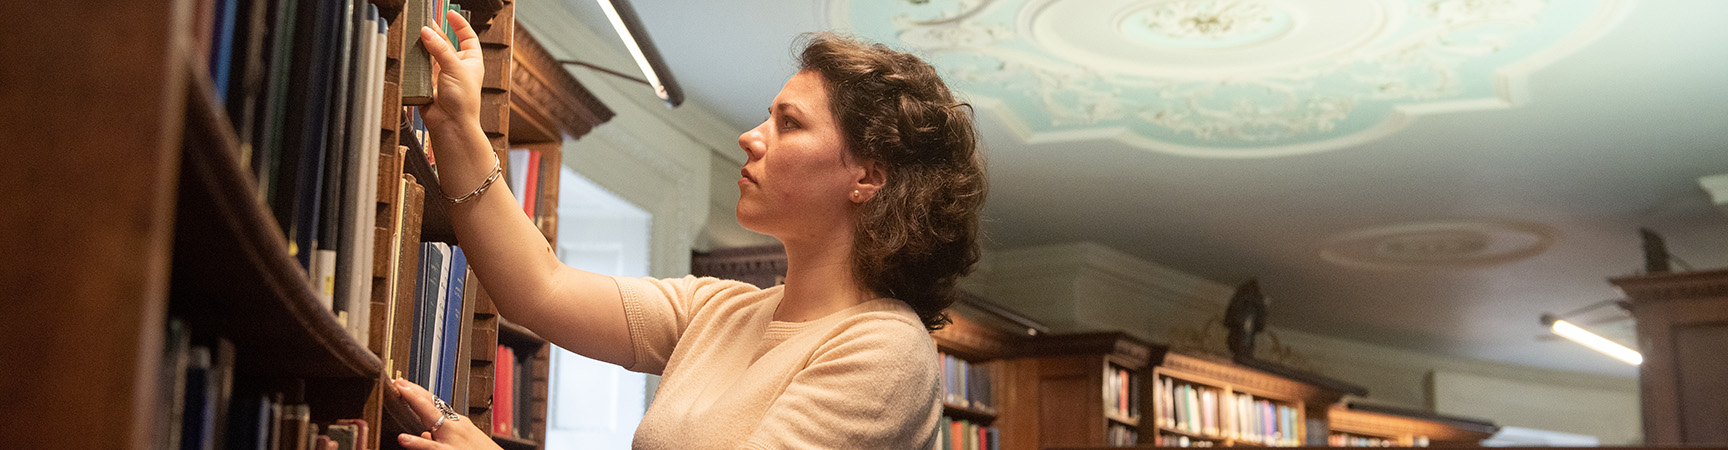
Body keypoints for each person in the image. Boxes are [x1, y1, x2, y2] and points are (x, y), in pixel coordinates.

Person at [392, 10, 986, 449]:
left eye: (790, 123)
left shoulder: (885, 349)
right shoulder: (719, 310)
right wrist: (455, 125)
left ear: (869, 176)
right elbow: (541, 288)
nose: (751, 137)